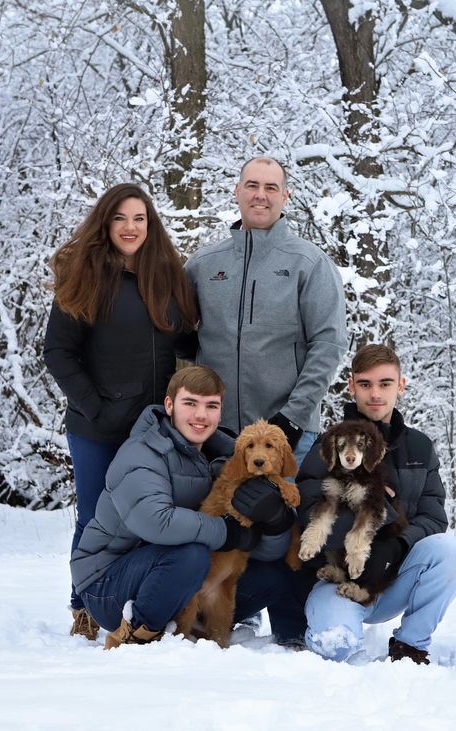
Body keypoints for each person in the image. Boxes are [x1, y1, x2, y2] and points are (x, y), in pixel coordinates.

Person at [43, 183, 198, 640]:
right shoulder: (86, 276)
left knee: (152, 513)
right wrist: (94, 408)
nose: (130, 228)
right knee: (96, 515)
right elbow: (58, 351)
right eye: (120, 219)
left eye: (140, 219)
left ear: (151, 226)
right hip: (98, 426)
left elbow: (187, 343)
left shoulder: (170, 278)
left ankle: (143, 600)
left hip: (155, 429)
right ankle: (83, 606)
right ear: (105, 223)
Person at [70, 366, 303, 648]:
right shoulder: (141, 452)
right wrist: (228, 532)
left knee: (272, 575)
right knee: (191, 556)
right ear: (169, 405)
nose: (201, 415)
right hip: (107, 584)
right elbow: (157, 521)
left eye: (211, 406)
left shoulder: (230, 454)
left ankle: (201, 630)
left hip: (184, 578)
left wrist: (275, 520)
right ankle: (139, 631)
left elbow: (254, 539)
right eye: (190, 403)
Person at [294, 344, 456, 664]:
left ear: (400, 386)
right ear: (352, 386)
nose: (375, 394)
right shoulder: (330, 444)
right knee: (336, 648)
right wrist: (370, 528)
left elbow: (434, 517)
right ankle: (333, 628)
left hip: (392, 577)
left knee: (449, 551)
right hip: (338, 578)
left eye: (385, 383)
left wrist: (395, 547)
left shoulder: (418, 447)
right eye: (365, 384)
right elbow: (308, 513)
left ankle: (410, 644)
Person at [185, 156, 348, 465]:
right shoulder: (203, 265)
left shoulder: (310, 263)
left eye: (271, 187)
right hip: (212, 435)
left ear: (285, 196)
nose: (260, 195)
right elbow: (175, 336)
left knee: (281, 514)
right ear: (237, 192)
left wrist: (293, 419)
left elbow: (328, 346)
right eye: (252, 185)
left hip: (286, 437)